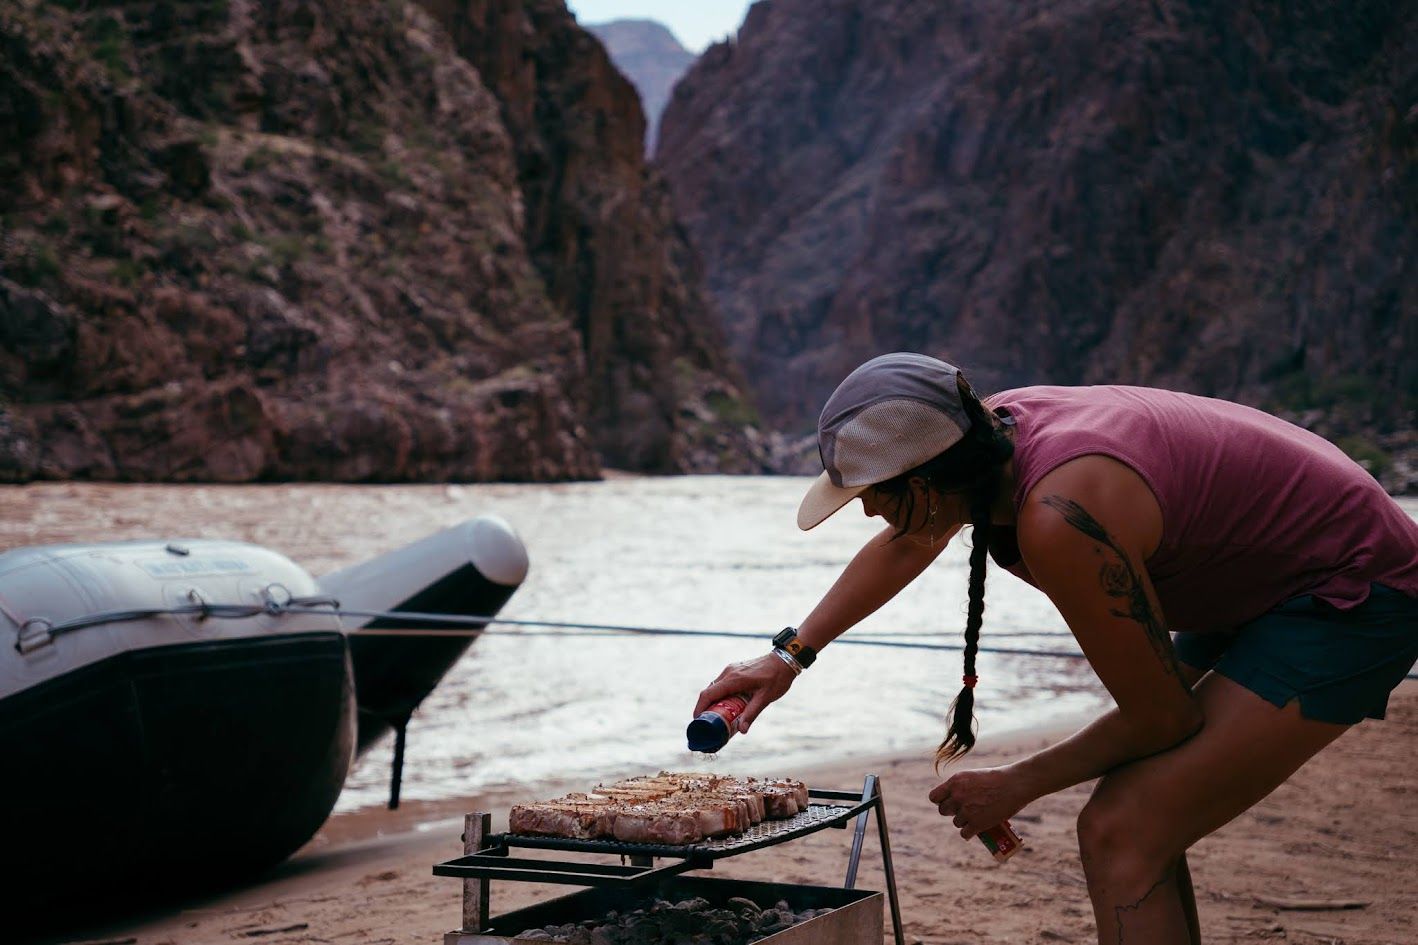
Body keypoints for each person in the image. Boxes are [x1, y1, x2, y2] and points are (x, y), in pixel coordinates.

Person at [694, 352, 1418, 945]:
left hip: (1347, 589)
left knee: (1123, 829)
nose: (868, 509)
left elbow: (1164, 719)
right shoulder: (986, 441)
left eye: (873, 492)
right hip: (1255, 571)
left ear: (926, 478)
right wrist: (788, 656)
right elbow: (912, 538)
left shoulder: (1060, 515)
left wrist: (1017, 782)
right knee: (1138, 823)